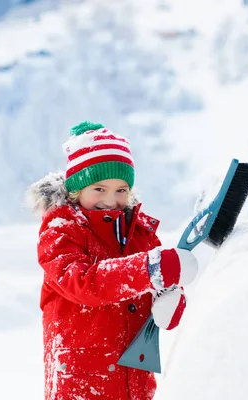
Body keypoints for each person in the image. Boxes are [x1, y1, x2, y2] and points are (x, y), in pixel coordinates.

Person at [27, 121, 199, 400]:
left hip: (135, 383)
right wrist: (151, 268)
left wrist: (171, 303)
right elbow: (83, 283)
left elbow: (155, 290)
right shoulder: (61, 230)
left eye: (121, 190)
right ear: (75, 190)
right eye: (99, 188)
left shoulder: (139, 233)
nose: (111, 199)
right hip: (81, 384)